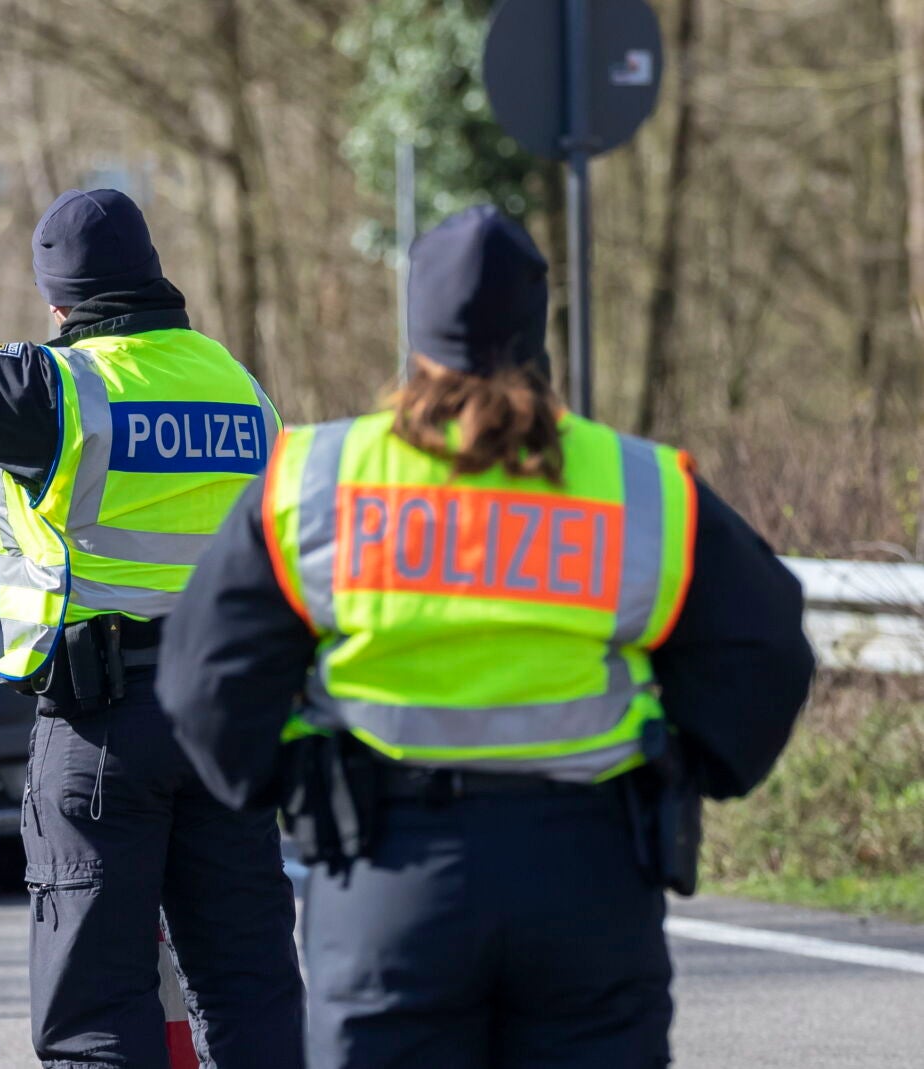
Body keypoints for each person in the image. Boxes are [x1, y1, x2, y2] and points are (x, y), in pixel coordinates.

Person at [157, 205, 815, 1069]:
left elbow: (204, 674)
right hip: (589, 873)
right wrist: (683, 766)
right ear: (537, 330)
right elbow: (766, 651)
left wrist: (290, 780)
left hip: (384, 872)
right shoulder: (641, 485)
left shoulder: (316, 479)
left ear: (417, 331)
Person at [0, 171, 304, 1068]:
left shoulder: (61, 388)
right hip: (228, 725)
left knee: (98, 1012)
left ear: (58, 301)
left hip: (105, 729)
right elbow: (175, 496)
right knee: (251, 994)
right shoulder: (242, 391)